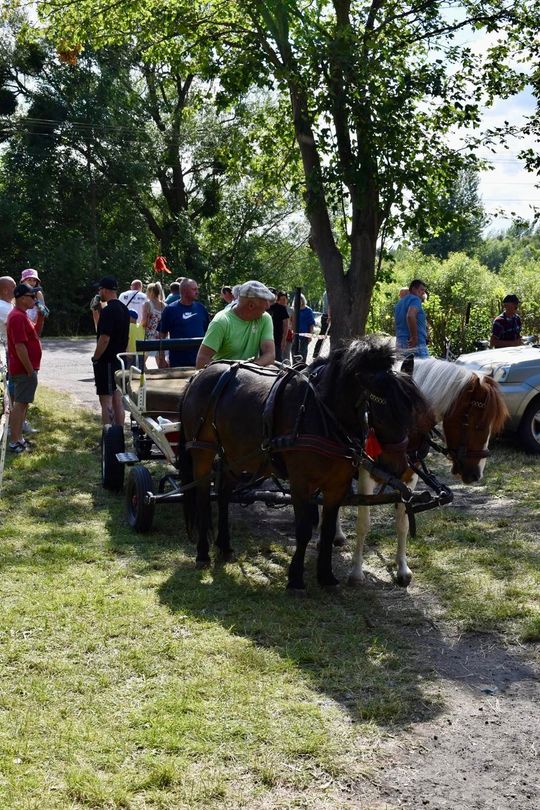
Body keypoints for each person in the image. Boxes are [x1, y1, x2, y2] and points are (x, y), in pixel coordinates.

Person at [196, 280, 275, 369]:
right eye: (265, 301)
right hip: (224, 376)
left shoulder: (265, 318)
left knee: (272, 369)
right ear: (251, 306)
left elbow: (270, 355)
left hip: (250, 374)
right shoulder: (221, 321)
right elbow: (202, 360)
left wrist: (248, 370)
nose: (268, 306)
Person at [6, 283, 43, 454]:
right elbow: (19, 346)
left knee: (24, 403)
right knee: (20, 405)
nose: (35, 299)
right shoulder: (17, 317)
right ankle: (14, 441)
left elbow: (35, 333)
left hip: (27, 369)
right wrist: (29, 369)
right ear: (22, 298)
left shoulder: (22, 315)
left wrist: (41, 316)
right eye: (31, 296)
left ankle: (18, 438)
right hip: (23, 369)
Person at [91, 276, 130, 426]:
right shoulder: (124, 309)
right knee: (117, 399)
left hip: (107, 361)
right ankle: (118, 434)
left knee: (106, 400)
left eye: (100, 289)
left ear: (105, 290)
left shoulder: (109, 310)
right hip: (120, 360)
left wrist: (96, 357)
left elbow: (104, 338)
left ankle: (108, 436)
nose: (98, 292)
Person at [157, 278, 209, 368]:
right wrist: (161, 358)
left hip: (199, 360)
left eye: (197, 289)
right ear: (184, 291)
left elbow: (208, 333)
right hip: (178, 361)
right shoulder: (170, 309)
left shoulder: (201, 308)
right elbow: (162, 335)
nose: (197, 292)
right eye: (194, 289)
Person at [394, 279, 429, 357]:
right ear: (413, 289)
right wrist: (414, 337)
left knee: (402, 368)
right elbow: (410, 315)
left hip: (400, 344)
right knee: (424, 368)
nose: (423, 292)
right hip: (415, 345)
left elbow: (396, 324)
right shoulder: (415, 299)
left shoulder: (399, 303)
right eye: (421, 289)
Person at [292, 294, 316, 363]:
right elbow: (290, 322)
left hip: (305, 336)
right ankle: (294, 368)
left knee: (303, 354)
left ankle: (301, 368)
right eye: (297, 299)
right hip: (294, 336)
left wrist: (310, 335)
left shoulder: (308, 310)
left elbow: (311, 324)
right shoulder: (293, 309)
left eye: (300, 299)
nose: (299, 301)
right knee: (294, 353)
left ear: (303, 300)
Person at [268, 288, 290, 362]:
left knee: (277, 361)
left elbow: (286, 325)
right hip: (263, 340)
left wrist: (284, 340)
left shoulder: (281, 308)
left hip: (277, 340)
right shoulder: (262, 307)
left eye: (272, 295)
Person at [313, 289, 331, 359]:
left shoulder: (326, 292)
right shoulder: (329, 292)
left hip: (325, 316)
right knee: (323, 336)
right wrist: (329, 317)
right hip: (328, 316)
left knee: (322, 336)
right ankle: (316, 354)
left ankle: (315, 354)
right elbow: (330, 305)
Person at [0, 276, 16, 348]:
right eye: (14, 287)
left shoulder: (9, 305)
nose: (16, 289)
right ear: (5, 291)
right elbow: (17, 327)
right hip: (7, 348)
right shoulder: (2, 307)